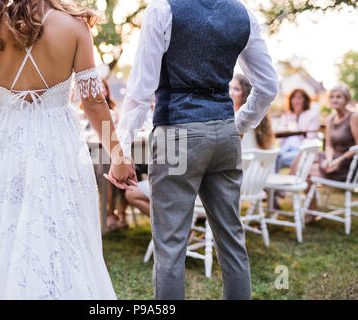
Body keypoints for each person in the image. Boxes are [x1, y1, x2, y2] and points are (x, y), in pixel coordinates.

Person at [0, 0, 137, 300]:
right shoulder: (74, 25)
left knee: (4, 221)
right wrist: (119, 157)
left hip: (8, 142)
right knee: (60, 223)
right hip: (59, 141)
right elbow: (95, 104)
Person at [105, 0, 278, 300]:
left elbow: (140, 92)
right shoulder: (243, 14)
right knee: (232, 242)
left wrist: (121, 151)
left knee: (171, 247)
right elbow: (268, 86)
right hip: (224, 131)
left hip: (177, 134)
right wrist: (239, 125)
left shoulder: (162, 10)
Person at [297, 84, 358, 222]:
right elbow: (329, 145)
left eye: (338, 97)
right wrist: (329, 160)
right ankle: (311, 208)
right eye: (332, 97)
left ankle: (311, 210)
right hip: (334, 159)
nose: (335, 100)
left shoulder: (354, 117)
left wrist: (338, 161)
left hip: (348, 164)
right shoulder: (330, 119)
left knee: (307, 171)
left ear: (346, 99)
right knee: (305, 160)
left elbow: (357, 146)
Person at [275, 89, 320, 172]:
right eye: (293, 98)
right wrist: (293, 117)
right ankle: (273, 180)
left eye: (299, 98)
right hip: (286, 147)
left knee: (280, 159)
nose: (296, 101)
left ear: (305, 100)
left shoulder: (311, 115)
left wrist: (298, 115)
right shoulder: (287, 115)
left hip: (300, 150)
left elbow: (311, 137)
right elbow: (281, 135)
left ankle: (276, 180)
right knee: (273, 156)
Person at [230, 74, 275, 150]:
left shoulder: (241, 119)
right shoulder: (256, 116)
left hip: (244, 160)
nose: (231, 93)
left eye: (236, 89)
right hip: (254, 160)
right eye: (229, 88)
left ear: (246, 93)